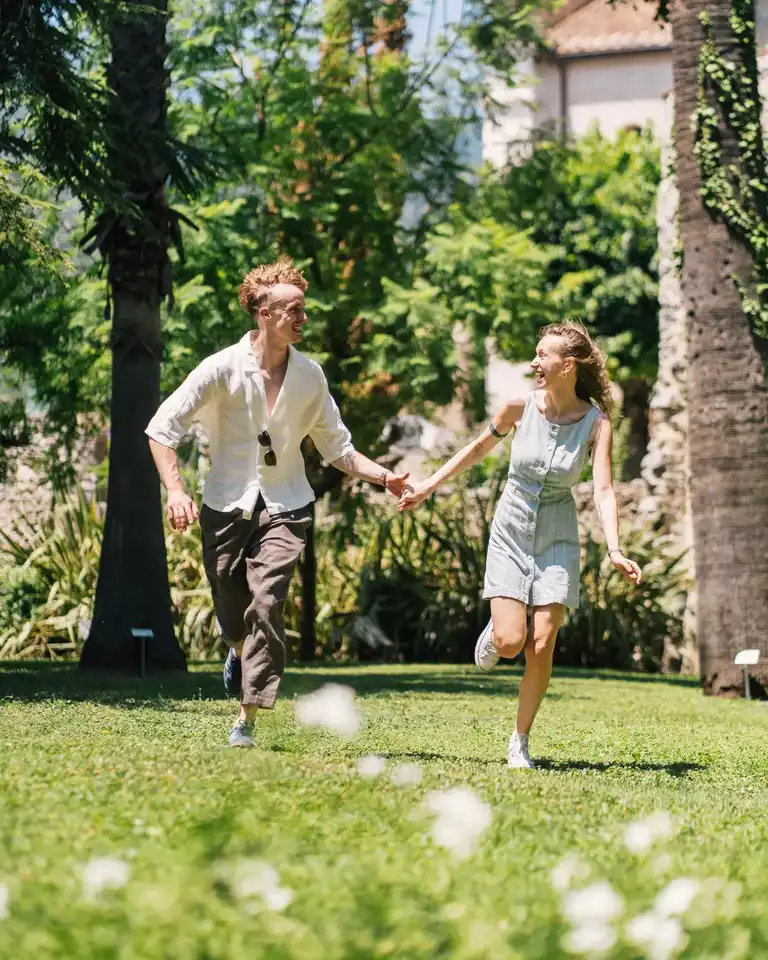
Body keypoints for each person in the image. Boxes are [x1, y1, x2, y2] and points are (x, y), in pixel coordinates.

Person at [146, 258, 409, 748]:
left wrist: (384, 476)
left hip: (286, 504)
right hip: (226, 502)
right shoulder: (221, 368)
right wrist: (176, 490)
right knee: (232, 606)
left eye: (303, 310)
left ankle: (246, 717)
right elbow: (162, 429)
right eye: (293, 310)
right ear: (263, 312)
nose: (302, 319)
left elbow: (339, 449)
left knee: (268, 600)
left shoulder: (310, 377)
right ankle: (237, 648)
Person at [398, 321, 642, 769]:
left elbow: (604, 490)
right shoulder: (518, 407)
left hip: (558, 535)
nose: (534, 363)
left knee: (543, 641)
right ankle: (497, 634)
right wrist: (427, 485)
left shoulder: (596, 422)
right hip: (510, 529)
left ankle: (519, 740)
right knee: (512, 642)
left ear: (568, 366)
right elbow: (474, 450)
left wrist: (615, 549)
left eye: (543, 356)